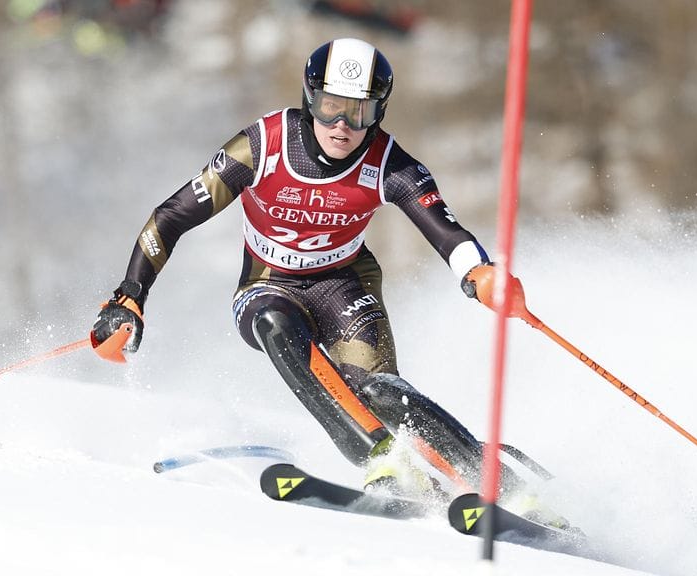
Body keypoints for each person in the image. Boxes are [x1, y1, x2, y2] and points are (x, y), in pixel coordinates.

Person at [92, 38, 566, 526]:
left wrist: (477, 270)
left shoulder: (387, 162)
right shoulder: (263, 145)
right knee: (274, 324)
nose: (342, 125)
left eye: (359, 112)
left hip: (344, 284)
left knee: (379, 391)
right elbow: (171, 216)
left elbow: (444, 229)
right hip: (267, 283)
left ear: (378, 112)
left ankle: (508, 491)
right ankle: (383, 458)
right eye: (330, 106)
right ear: (309, 99)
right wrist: (130, 296)